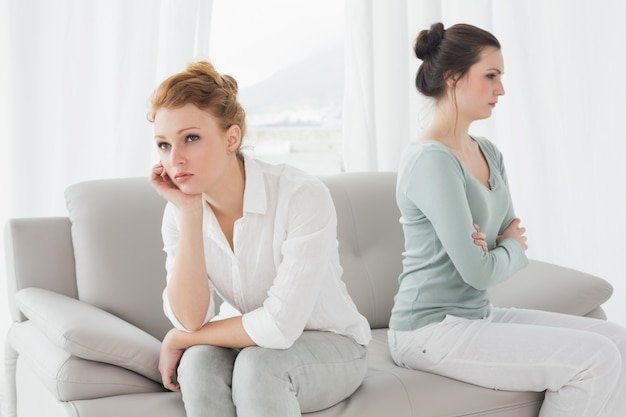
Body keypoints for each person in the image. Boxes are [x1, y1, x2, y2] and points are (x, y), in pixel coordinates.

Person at [388, 22, 626, 416]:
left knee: (618, 342)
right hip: (427, 330)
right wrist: (507, 248)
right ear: (453, 77)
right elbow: (482, 269)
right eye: (491, 76)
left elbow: (504, 235)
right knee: (595, 359)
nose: (501, 89)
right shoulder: (430, 160)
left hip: (478, 314)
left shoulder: (488, 152)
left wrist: (500, 247)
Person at [148, 60, 371, 417]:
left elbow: (280, 326)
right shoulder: (179, 212)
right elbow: (191, 318)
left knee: (258, 367)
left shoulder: (301, 195)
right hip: (251, 343)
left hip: (332, 345)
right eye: (163, 145)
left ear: (231, 138)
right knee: (200, 364)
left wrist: (181, 339)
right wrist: (189, 214)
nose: (175, 160)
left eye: (191, 138)